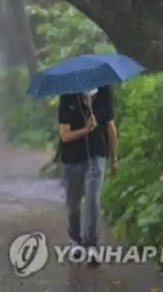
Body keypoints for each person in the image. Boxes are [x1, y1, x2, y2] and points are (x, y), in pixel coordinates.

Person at [57, 86, 117, 266]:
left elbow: (111, 128)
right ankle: (75, 240)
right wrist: (86, 129)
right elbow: (65, 135)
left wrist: (114, 160)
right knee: (73, 203)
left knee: (92, 201)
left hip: (96, 155)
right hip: (71, 158)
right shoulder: (68, 96)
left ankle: (91, 244)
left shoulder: (105, 93)